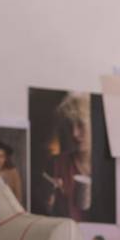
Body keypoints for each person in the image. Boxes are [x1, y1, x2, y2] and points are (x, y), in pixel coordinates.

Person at [42, 92, 93, 220]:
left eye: (81, 125)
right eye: (70, 125)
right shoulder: (57, 164)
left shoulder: (109, 168)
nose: (74, 133)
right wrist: (49, 201)